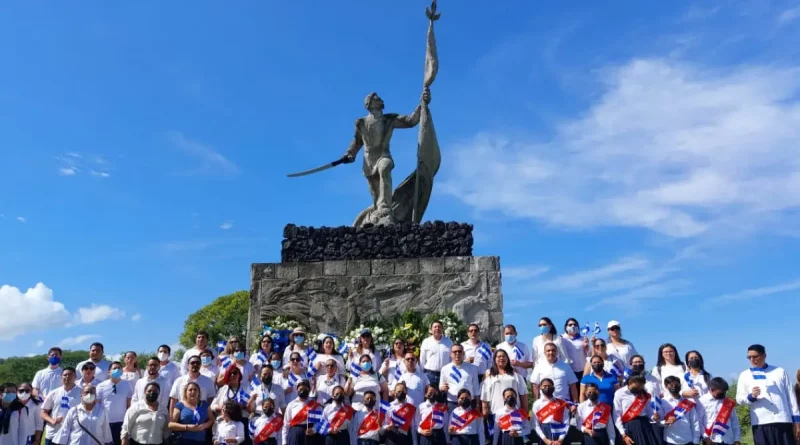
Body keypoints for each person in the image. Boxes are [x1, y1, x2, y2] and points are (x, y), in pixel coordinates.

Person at [735, 344, 800, 445]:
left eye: (755, 356)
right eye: (749, 357)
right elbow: (739, 399)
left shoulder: (779, 372)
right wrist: (751, 396)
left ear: (764, 355)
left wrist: (796, 422)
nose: (752, 359)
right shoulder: (745, 375)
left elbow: (791, 398)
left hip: (782, 420)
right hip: (760, 422)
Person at [613, 375, 661, 445]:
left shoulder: (644, 394)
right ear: (630, 382)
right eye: (638, 386)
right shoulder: (619, 393)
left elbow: (649, 411)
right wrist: (623, 434)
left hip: (645, 425)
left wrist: (654, 417)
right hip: (629, 426)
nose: (640, 388)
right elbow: (616, 415)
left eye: (642, 386)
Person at [480, 350, 528, 418]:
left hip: (514, 414)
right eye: (499, 356)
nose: (501, 358)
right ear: (494, 359)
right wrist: (485, 411)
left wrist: (525, 412)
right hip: (495, 414)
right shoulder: (489, 376)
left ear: (507, 359)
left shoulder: (516, 375)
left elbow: (524, 394)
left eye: (503, 356)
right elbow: (485, 395)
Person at [41, 367, 82, 445]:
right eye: (65, 375)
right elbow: (43, 413)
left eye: (70, 374)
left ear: (75, 377)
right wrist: (52, 420)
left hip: (73, 434)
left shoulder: (82, 392)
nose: (67, 376)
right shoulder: (54, 393)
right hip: (54, 433)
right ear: (61, 377)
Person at [97, 361, 134, 445]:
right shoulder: (101, 386)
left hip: (121, 423)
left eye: (119, 368)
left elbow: (129, 405)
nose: (117, 370)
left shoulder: (127, 385)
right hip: (105, 423)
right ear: (109, 372)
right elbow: (97, 405)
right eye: (114, 368)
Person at [660, 376, 702, 445]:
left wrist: (696, 441)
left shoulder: (688, 403)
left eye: (677, 384)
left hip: (687, 440)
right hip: (670, 440)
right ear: (666, 387)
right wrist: (665, 422)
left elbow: (694, 423)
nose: (674, 386)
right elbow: (658, 421)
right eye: (671, 385)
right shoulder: (663, 402)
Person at [698, 377, 740, 445]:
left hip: (728, 440)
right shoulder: (701, 401)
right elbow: (699, 421)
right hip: (711, 440)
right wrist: (705, 437)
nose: (724, 394)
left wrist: (737, 439)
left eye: (725, 391)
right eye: (721, 392)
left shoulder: (728, 402)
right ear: (712, 389)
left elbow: (734, 421)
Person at [281, 380, 322, 445]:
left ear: (309, 390)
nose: (302, 391)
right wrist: (284, 441)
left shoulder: (315, 404)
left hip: (311, 435)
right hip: (295, 434)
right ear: (297, 390)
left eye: (305, 389)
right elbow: (286, 425)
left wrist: (313, 430)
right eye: (300, 389)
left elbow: (319, 422)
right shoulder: (291, 405)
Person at [439, 344, 480, 410]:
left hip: (468, 403)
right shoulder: (445, 369)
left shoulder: (472, 368)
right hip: (452, 403)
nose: (457, 353)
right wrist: (443, 388)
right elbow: (441, 386)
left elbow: (476, 388)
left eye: (459, 351)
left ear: (463, 353)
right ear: (450, 354)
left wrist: (477, 404)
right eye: (454, 352)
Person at [531, 378, 571, 445]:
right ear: (540, 387)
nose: (547, 388)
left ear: (553, 387)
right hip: (545, 433)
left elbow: (566, 422)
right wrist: (545, 440)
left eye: (549, 386)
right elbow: (535, 424)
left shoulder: (561, 403)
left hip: (560, 432)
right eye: (545, 386)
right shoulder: (537, 404)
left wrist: (560, 439)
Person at [419, 321, 454, 388]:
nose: (437, 328)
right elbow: (422, 360)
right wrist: (422, 374)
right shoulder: (426, 341)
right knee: (430, 396)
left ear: (442, 329)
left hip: (445, 375)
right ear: (431, 330)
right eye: (435, 327)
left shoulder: (449, 342)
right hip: (429, 375)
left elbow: (451, 359)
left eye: (439, 327)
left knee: (443, 397)